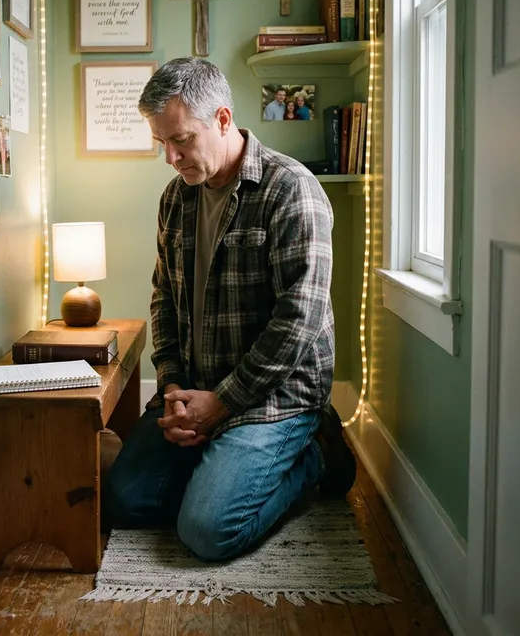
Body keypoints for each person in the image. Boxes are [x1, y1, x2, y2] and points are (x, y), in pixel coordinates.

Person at [106, 57, 355, 562]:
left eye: (181, 141)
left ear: (222, 120)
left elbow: (298, 321)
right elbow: (164, 297)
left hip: (273, 395)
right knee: (123, 501)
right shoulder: (176, 199)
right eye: (162, 145)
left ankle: (314, 456)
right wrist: (173, 387)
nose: (171, 158)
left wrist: (220, 404)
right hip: (197, 386)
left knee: (206, 531)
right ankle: (218, 468)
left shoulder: (292, 191)